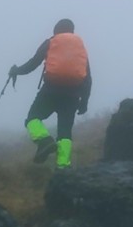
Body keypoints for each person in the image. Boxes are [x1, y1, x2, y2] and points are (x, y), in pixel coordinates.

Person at [9, 19, 91, 169]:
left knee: (33, 118)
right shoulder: (80, 49)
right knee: (65, 132)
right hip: (72, 95)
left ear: (56, 30)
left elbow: (32, 64)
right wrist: (84, 102)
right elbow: (87, 78)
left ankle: (44, 140)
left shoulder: (51, 42)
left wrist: (16, 71)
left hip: (51, 90)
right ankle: (63, 167)